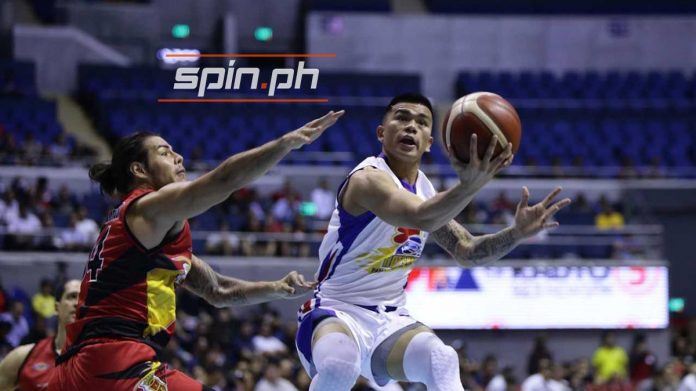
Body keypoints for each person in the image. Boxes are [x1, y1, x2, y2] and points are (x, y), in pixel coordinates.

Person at [48, 110, 345, 390]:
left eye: (174, 150)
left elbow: (218, 290)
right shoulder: (146, 208)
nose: (177, 157)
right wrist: (285, 144)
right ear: (139, 170)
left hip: (98, 364)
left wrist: (276, 288)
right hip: (111, 362)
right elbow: (223, 181)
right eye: (164, 153)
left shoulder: (152, 239)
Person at [294, 93, 571, 391]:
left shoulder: (425, 190)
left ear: (429, 143)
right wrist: (469, 187)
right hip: (336, 311)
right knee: (339, 366)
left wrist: (515, 233)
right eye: (401, 117)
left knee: (442, 359)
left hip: (390, 319)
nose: (411, 126)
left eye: (422, 122)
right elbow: (421, 217)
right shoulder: (367, 180)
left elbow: (467, 252)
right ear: (381, 132)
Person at [0, 279, 80, 391]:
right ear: (56, 308)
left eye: (84, 298)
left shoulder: (102, 360)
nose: (77, 303)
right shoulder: (21, 357)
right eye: (72, 296)